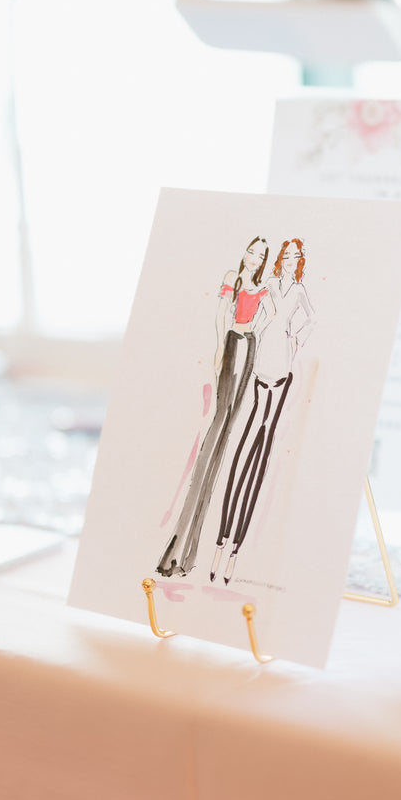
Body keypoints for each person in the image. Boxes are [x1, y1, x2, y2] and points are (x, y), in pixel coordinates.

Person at [157, 238, 274, 578]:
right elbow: (222, 315)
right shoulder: (232, 278)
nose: (254, 259)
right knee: (218, 429)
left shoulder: (261, 287)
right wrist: (223, 347)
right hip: (233, 346)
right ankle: (179, 550)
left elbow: (269, 314)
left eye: (260, 255)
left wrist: (255, 332)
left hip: (248, 345)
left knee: (226, 434)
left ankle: (189, 552)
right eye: (251, 252)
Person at [211, 238, 317, 586]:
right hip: (261, 359)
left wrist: (295, 337)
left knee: (265, 445)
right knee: (245, 444)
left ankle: (235, 548)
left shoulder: (299, 290)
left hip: (283, 362)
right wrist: (253, 329)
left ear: (299, 261)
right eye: (285, 257)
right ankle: (221, 541)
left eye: (294, 258)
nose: (288, 261)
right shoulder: (269, 284)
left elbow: (311, 318)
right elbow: (257, 310)